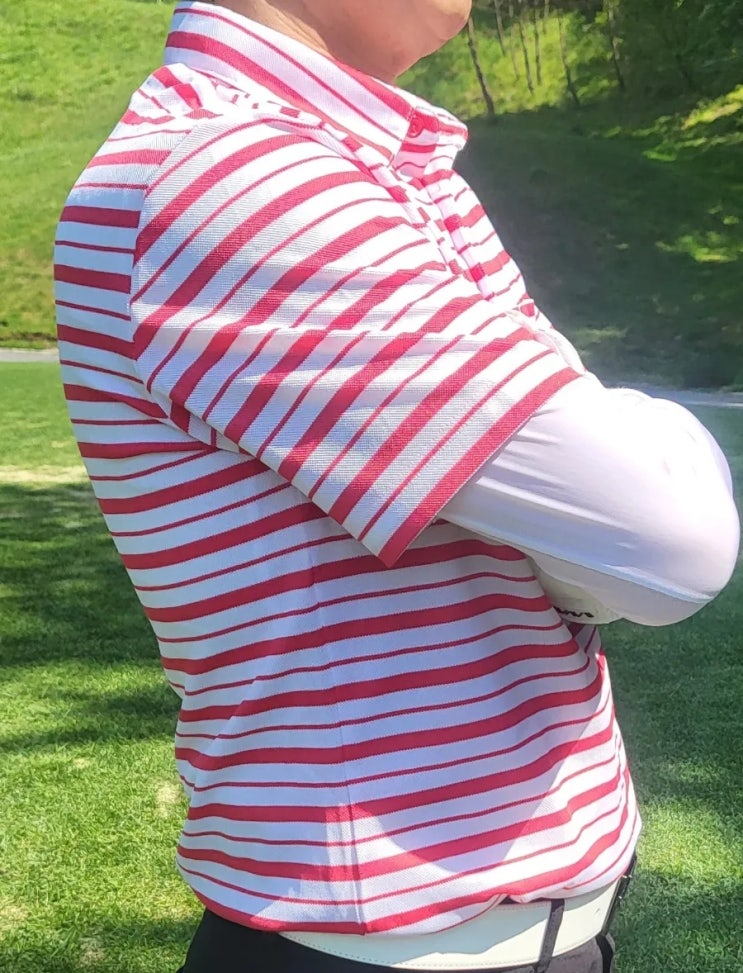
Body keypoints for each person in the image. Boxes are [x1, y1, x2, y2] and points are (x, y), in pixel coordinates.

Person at [53, 1, 739, 970]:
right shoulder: (231, 178)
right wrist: (659, 429)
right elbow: (666, 543)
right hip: (385, 946)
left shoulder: (351, 161)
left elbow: (597, 560)